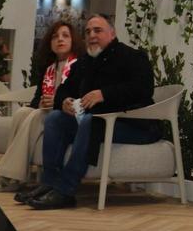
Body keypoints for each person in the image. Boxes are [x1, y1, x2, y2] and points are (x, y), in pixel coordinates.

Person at [23, 14, 159, 210]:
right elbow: (64, 89)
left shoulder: (133, 57)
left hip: (135, 125)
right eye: (87, 32)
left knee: (90, 121)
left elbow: (143, 88)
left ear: (112, 33)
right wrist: (64, 101)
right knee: (55, 118)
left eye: (97, 30)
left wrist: (104, 94)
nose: (92, 35)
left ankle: (65, 191)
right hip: (98, 122)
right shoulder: (85, 62)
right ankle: (49, 183)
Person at [0, 19, 81, 194]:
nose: (60, 39)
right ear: (49, 43)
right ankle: (13, 176)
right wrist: (42, 103)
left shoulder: (80, 66)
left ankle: (8, 176)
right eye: (55, 36)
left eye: (65, 36)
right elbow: (37, 100)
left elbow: (79, 97)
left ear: (73, 40)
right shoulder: (48, 68)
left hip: (67, 116)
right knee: (22, 112)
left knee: (37, 115)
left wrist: (57, 102)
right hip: (48, 112)